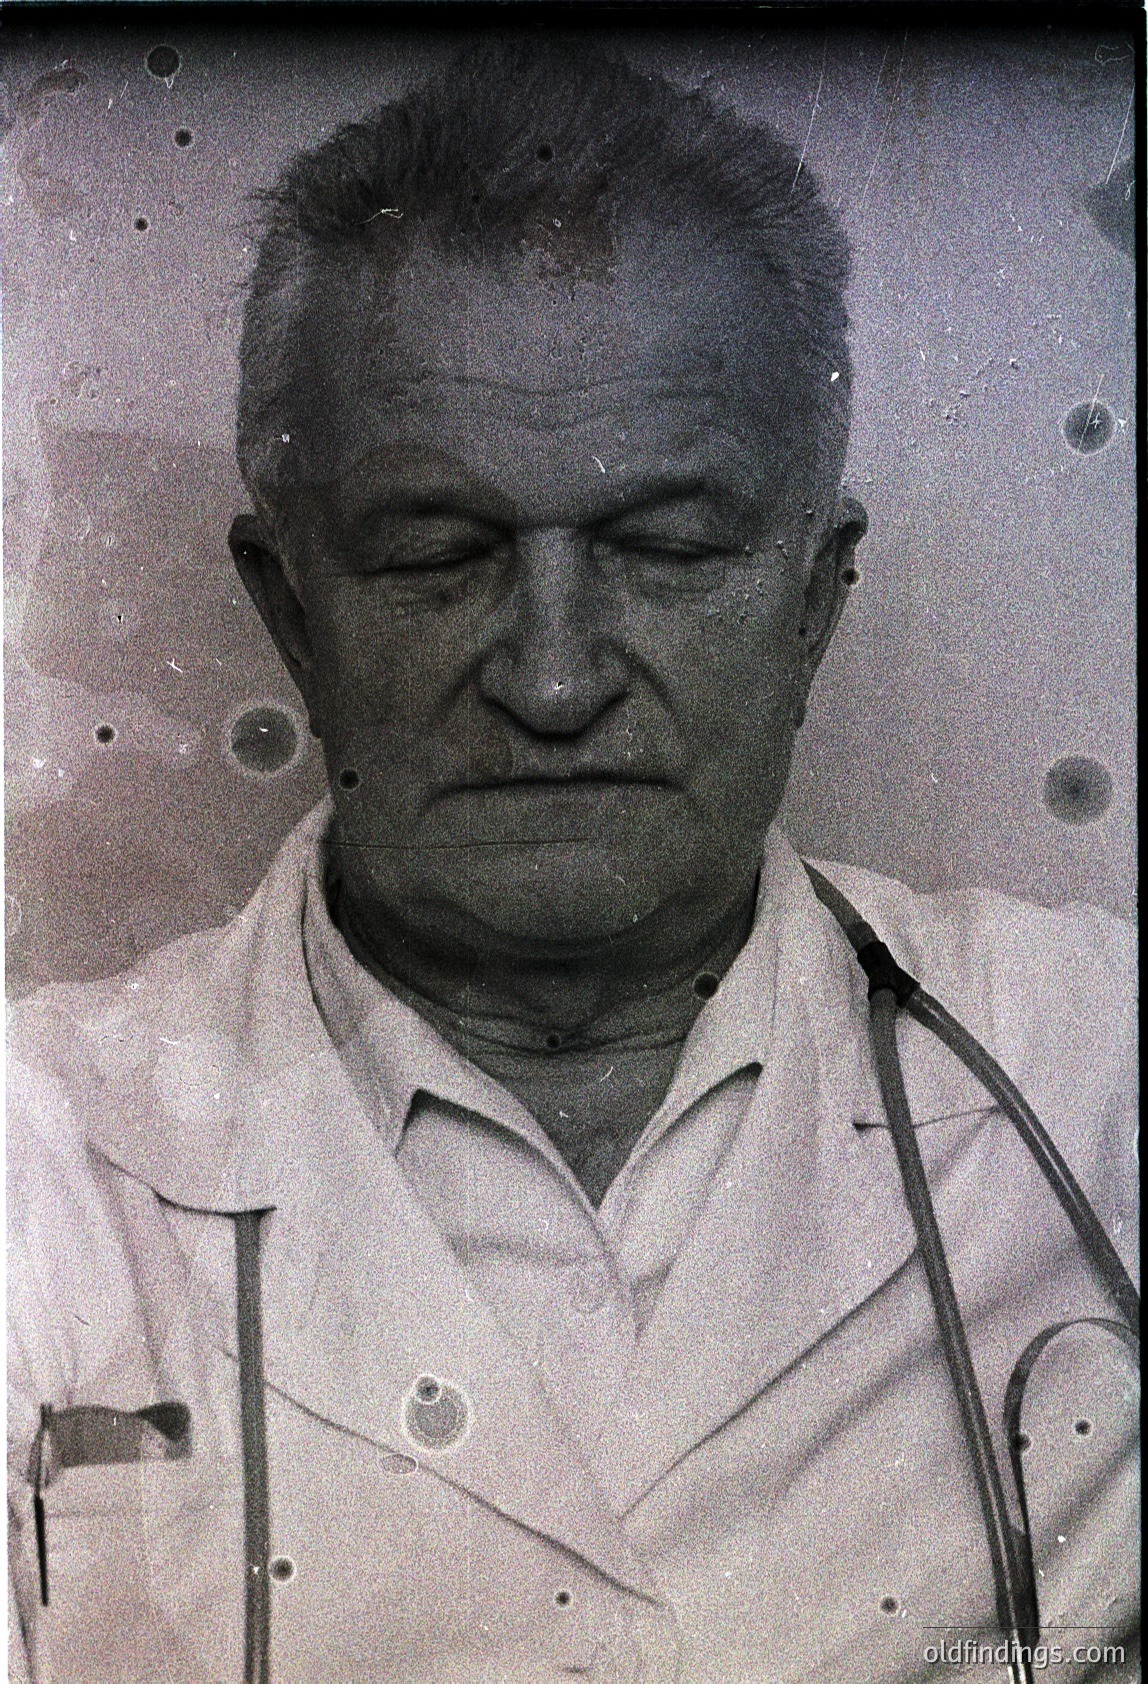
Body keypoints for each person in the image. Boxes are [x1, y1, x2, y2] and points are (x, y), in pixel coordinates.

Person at [7, 41, 1138, 1684]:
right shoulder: (35, 1161)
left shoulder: (1100, 1079)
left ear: (814, 604)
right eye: (436, 554)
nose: (552, 679)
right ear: (289, 612)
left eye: (666, 548)